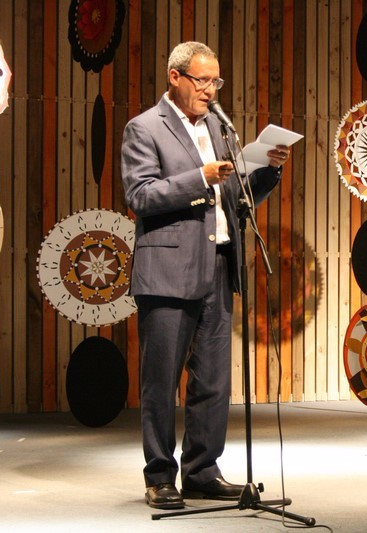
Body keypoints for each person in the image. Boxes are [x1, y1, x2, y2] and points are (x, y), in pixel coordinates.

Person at [121, 41, 290, 510]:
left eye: (216, 81)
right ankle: (160, 476)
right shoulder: (144, 128)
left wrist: (266, 173)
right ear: (174, 77)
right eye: (202, 80)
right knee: (161, 380)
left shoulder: (218, 127)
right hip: (167, 270)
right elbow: (140, 195)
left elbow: (234, 197)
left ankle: (201, 471)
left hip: (218, 264)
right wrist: (201, 177)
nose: (210, 90)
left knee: (213, 380)